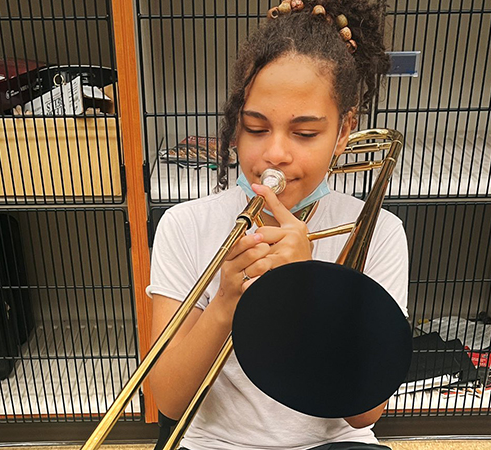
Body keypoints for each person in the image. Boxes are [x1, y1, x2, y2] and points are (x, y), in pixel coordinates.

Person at [145, 1, 409, 449]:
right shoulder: (184, 225)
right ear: (235, 126)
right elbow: (168, 399)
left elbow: (364, 410)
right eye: (255, 127)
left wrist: (309, 291)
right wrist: (228, 298)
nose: (276, 154)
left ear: (344, 131)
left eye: (305, 133)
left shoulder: (379, 231)